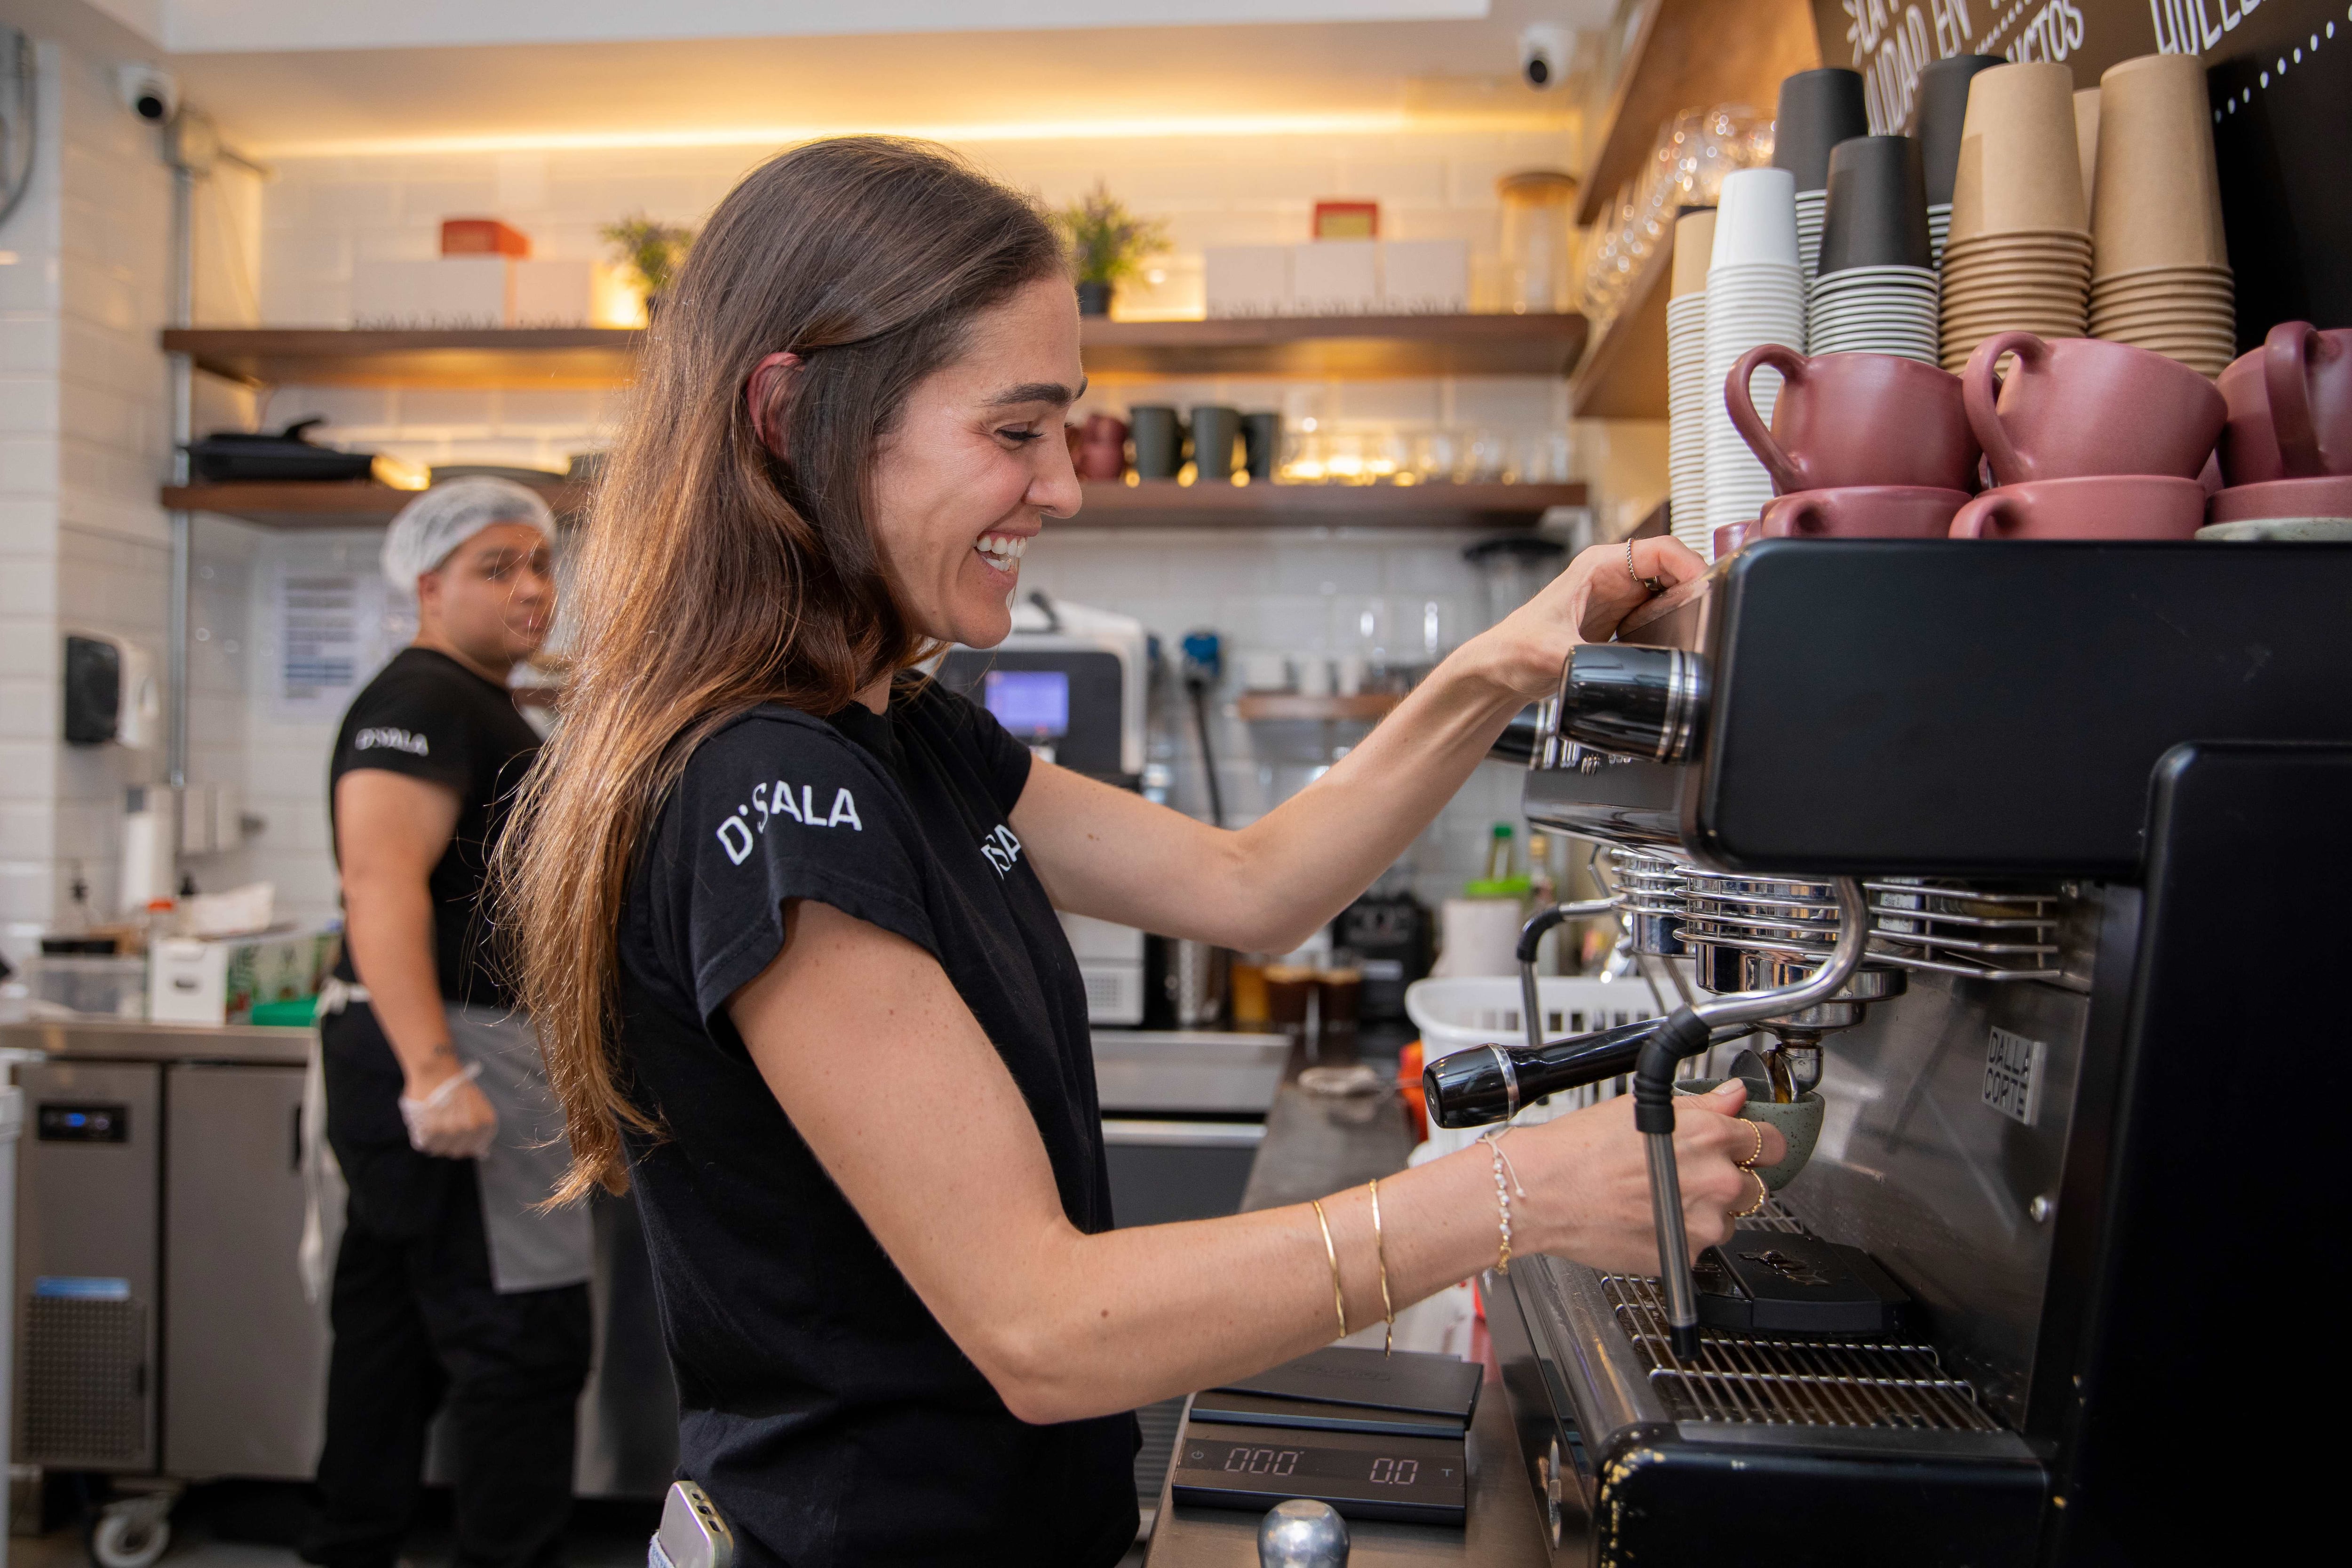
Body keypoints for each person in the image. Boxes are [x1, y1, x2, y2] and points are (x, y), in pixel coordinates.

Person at [501, 138, 1768, 1568]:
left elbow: (1251, 885)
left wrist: (1500, 663)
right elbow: (1043, 1323)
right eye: (1015, 430)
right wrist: (1516, 1194)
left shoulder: (904, 735)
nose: (1065, 486)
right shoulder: (767, 787)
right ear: (795, 416)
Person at [305, 479, 590, 1568]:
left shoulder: (472, 697)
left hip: (449, 1042)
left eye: (539, 563)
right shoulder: (422, 702)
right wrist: (433, 1069)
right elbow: (380, 886)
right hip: (452, 1044)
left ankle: (349, 1542)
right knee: (523, 1338)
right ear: (427, 586)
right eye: (497, 567)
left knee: (389, 1330)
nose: (532, 588)